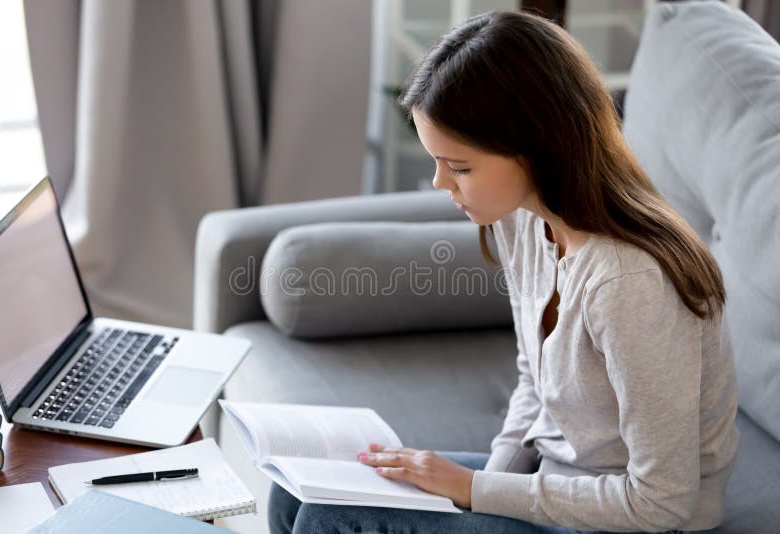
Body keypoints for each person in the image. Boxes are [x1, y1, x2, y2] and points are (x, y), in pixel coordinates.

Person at [268, 10, 739, 534]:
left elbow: (662, 502)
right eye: (438, 162)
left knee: (326, 516)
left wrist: (471, 491)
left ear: (539, 150)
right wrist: (478, 498)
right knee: (297, 488)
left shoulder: (628, 284)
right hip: (561, 480)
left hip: (633, 521)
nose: (439, 183)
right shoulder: (522, 221)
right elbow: (534, 385)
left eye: (460, 167)